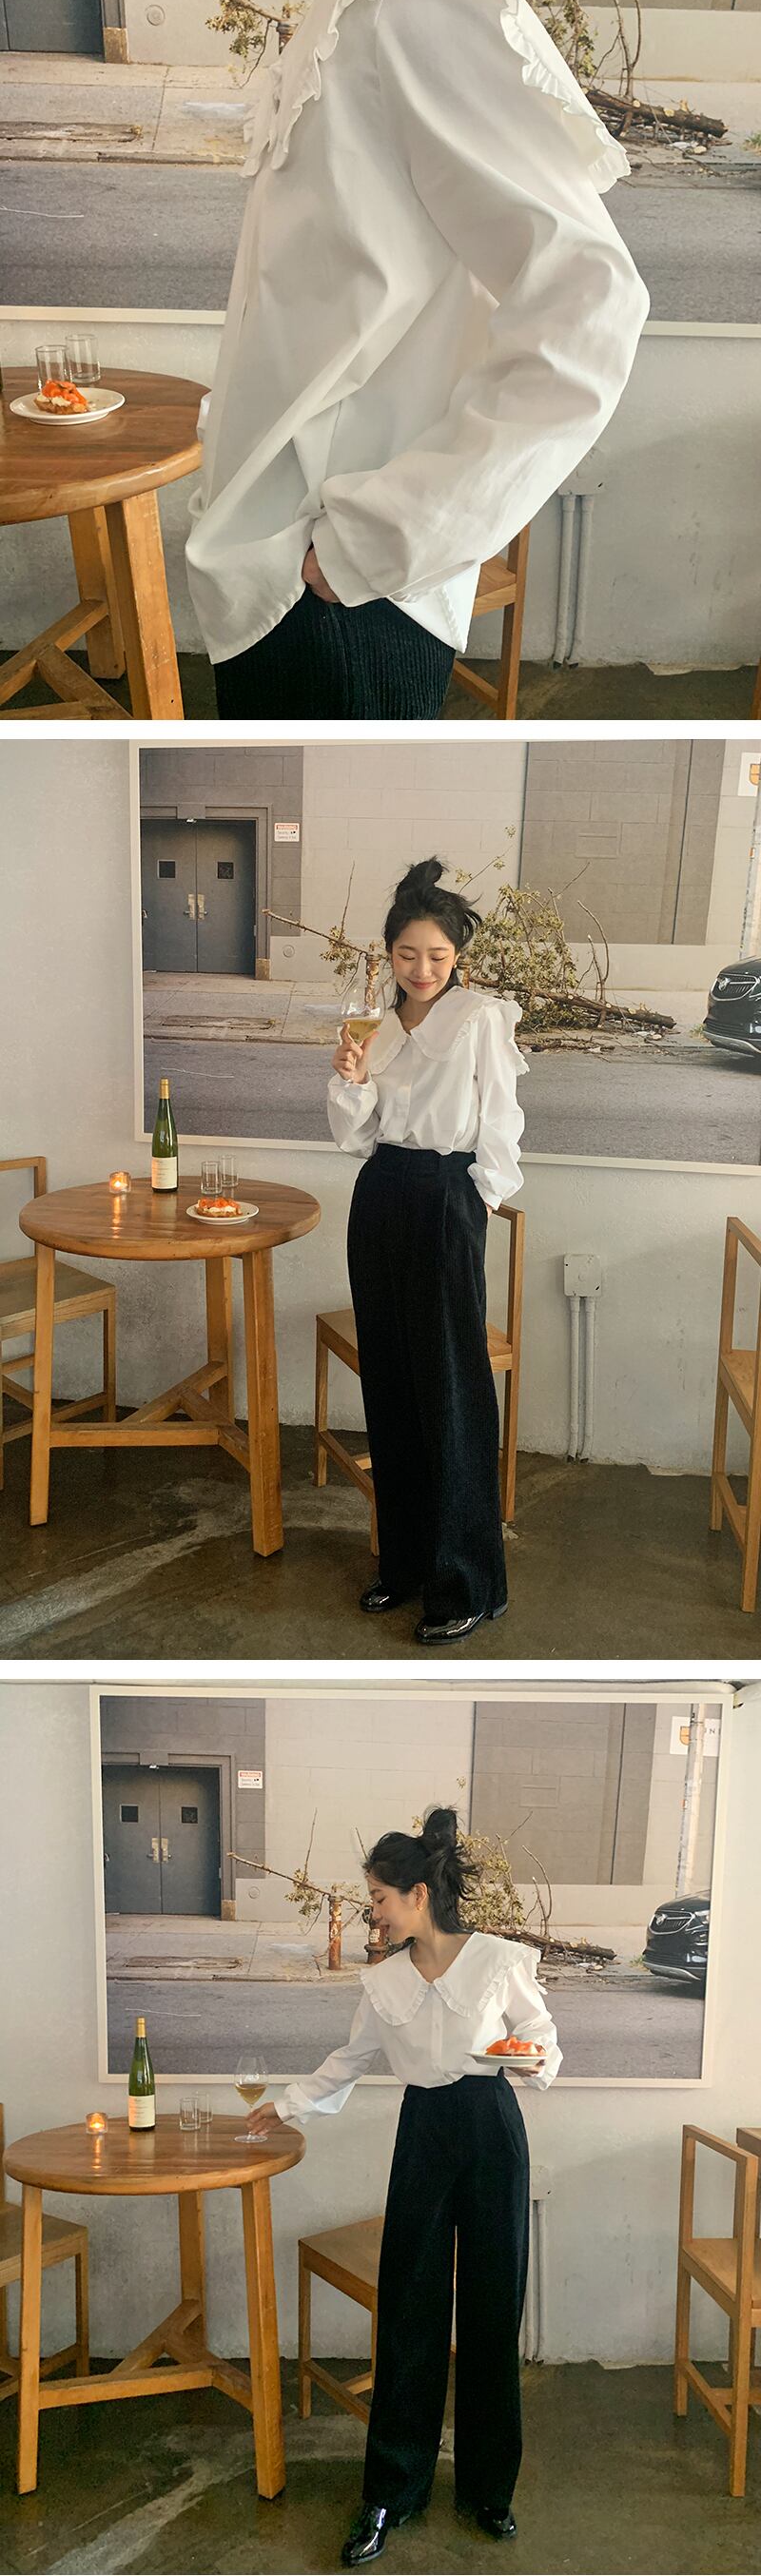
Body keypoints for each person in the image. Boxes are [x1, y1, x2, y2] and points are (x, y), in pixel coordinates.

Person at [185, 0, 650, 722]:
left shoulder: (418, 0)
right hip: (283, 577)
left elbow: (589, 298)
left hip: (332, 595)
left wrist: (382, 537)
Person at [249, 1805, 561, 2565]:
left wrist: (528, 2058)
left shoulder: (498, 1960)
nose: (374, 1914)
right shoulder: (384, 1980)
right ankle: (391, 2490)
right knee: (409, 2312)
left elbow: (541, 2041)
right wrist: (284, 2105)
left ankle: (488, 2489)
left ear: (418, 1895)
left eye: (379, 1899)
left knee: (492, 2310)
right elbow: (350, 2061)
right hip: (423, 2134)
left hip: (491, 2128)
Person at [327, 856, 526, 1643]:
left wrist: (479, 1198)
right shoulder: (374, 1025)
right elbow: (358, 1138)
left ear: (456, 956)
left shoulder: (480, 1018)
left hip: (446, 1197)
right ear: (389, 954)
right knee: (391, 1383)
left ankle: (466, 1581)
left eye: (437, 955)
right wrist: (350, 1079)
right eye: (408, 954)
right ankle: (405, 1564)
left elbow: (502, 1118)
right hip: (380, 1193)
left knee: (448, 1387)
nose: (422, 969)